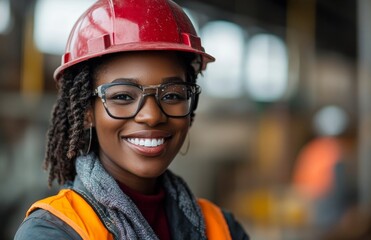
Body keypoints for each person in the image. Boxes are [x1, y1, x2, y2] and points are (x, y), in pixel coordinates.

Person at [14, 0, 249, 239]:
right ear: (86, 112)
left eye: (172, 95)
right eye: (123, 96)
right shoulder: (54, 231)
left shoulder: (221, 228)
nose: (152, 116)